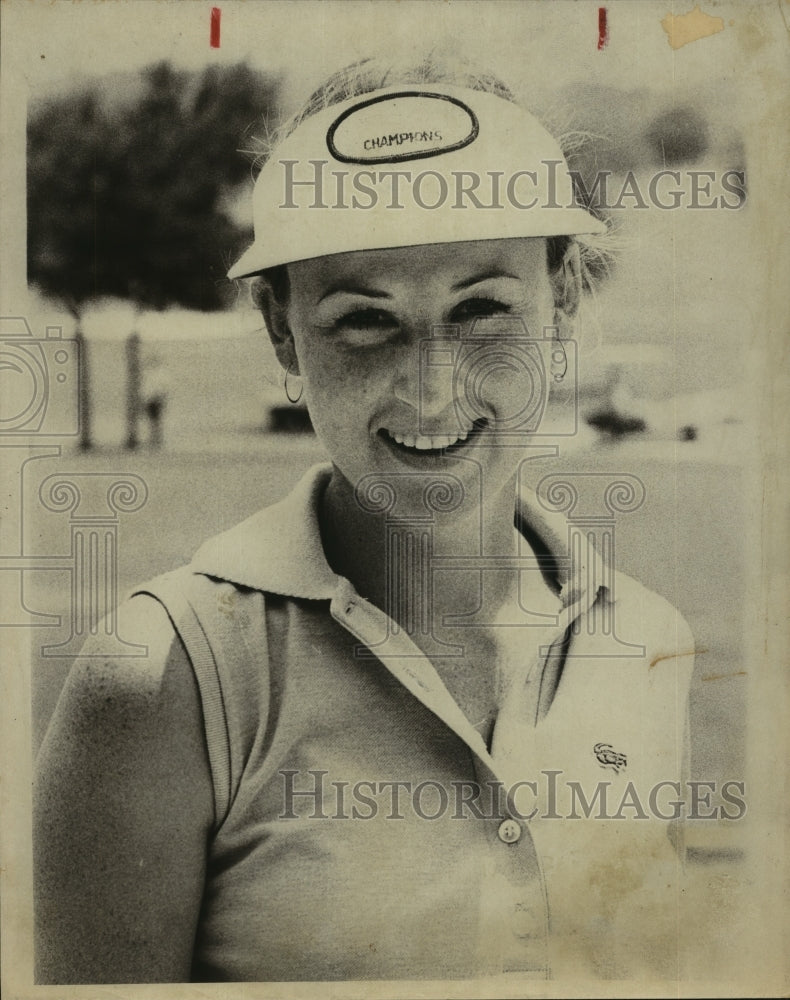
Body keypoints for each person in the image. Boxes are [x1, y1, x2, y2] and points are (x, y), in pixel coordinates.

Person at [34, 59, 694, 984]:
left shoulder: (649, 639)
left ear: (565, 300)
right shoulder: (165, 680)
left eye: (482, 309)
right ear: (280, 328)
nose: (431, 385)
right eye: (362, 321)